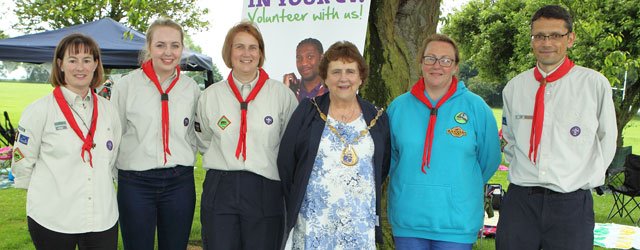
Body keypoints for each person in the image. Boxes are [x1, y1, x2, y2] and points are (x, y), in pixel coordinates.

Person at [496, 5, 617, 249]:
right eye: (539, 36)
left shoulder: (594, 84)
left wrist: (583, 178)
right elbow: (509, 139)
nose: (546, 42)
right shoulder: (515, 87)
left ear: (570, 39)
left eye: (555, 35)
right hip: (521, 203)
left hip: (571, 204)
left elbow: (607, 137)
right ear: (532, 40)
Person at [386, 34, 501, 249]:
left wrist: (458, 186)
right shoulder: (398, 107)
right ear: (420, 63)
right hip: (408, 219)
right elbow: (390, 158)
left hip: (456, 222)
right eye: (430, 58)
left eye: (446, 60)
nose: (437, 65)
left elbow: (489, 159)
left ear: (456, 67)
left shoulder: (476, 108)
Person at [12, 33, 121, 250]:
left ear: (95, 65)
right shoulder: (39, 110)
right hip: (53, 219)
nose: (80, 67)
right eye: (73, 60)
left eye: (87, 60)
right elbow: (22, 163)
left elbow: (112, 157)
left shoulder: (109, 110)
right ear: (60, 65)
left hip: (101, 218)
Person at [278, 41, 391, 249]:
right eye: (336, 71)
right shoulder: (307, 112)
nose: (343, 78)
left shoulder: (377, 117)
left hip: (359, 225)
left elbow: (381, 166)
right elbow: (286, 164)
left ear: (360, 77)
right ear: (326, 77)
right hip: (314, 223)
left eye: (350, 71)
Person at [195, 21, 298, 250]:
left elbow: (289, 144)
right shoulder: (210, 96)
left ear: (260, 53)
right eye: (239, 46)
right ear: (229, 52)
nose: (246, 53)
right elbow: (204, 140)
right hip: (221, 186)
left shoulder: (281, 95)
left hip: (265, 187)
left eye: (253, 47)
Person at [110, 18, 200, 250]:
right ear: (149, 47)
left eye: (175, 45)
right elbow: (114, 134)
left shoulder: (191, 89)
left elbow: (194, 134)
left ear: (182, 48)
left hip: (179, 182)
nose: (168, 52)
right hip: (135, 183)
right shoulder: (126, 86)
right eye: (160, 45)